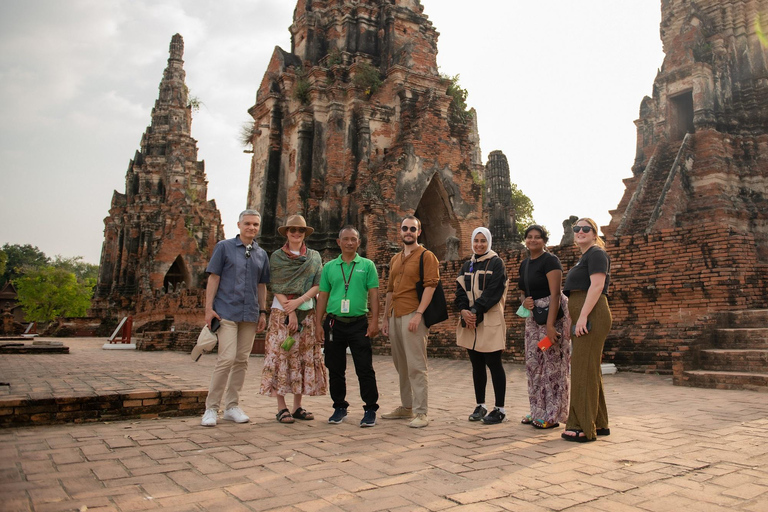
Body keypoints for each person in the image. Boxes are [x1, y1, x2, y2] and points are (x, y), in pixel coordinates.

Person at [201, 209, 270, 427]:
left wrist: (262, 311)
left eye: (255, 225)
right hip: (226, 312)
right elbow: (214, 278)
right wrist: (208, 308)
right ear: (239, 225)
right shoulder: (224, 247)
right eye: (248, 224)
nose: (251, 228)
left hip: (249, 313)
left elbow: (262, 285)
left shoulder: (261, 254)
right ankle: (211, 408)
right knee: (226, 359)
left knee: (242, 360)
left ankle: (232, 406)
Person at [260, 215, 326, 423]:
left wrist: (299, 302)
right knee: (282, 355)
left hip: (306, 311)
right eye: (292, 230)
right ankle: (282, 407)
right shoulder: (277, 257)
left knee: (303, 357)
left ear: (305, 233)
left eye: (300, 231)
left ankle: (298, 406)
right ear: (287, 233)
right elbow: (276, 285)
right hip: (282, 313)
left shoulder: (314, 257)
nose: (296, 234)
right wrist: (290, 311)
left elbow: (318, 284)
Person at [315, 226, 381, 427]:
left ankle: (370, 408)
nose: (349, 243)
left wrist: (374, 320)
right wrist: (318, 324)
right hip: (334, 323)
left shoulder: (367, 265)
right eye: (346, 239)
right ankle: (339, 406)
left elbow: (374, 294)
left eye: (353, 239)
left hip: (359, 323)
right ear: (339, 242)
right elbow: (323, 296)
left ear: (359, 242)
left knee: (364, 367)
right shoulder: (329, 267)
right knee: (335, 367)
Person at [380, 215, 439, 428]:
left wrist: (419, 314)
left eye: (412, 229)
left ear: (419, 232)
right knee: (401, 364)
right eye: (405, 228)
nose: (408, 232)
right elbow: (389, 290)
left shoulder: (426, 256)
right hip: (395, 314)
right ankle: (407, 407)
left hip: (413, 313)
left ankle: (421, 412)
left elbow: (431, 286)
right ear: (400, 231)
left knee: (416, 364)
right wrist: (385, 318)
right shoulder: (396, 259)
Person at [561, 218, 612, 442]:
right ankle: (598, 423)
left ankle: (581, 425)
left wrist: (581, 317)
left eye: (585, 229)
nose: (580, 232)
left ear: (594, 233)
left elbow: (597, 285)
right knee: (590, 368)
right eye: (576, 229)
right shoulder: (584, 257)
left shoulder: (596, 254)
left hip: (591, 315)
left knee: (582, 368)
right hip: (584, 315)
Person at [518, 225, 571, 430]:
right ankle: (537, 410)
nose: (533, 240)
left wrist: (550, 326)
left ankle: (552, 414)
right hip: (533, 317)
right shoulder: (524, 264)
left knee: (551, 365)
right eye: (529, 237)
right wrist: (524, 302)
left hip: (551, 316)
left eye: (537, 237)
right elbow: (522, 291)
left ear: (544, 240)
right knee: (534, 363)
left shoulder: (551, 261)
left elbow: (556, 293)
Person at [455, 227, 509, 425]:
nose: (479, 244)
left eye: (483, 241)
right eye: (476, 241)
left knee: (494, 364)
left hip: (489, 319)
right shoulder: (467, 265)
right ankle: (481, 405)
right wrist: (464, 311)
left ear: (489, 242)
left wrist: (475, 310)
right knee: (476, 365)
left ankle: (500, 408)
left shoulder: (496, 263)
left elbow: (494, 292)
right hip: (470, 320)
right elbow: (460, 290)